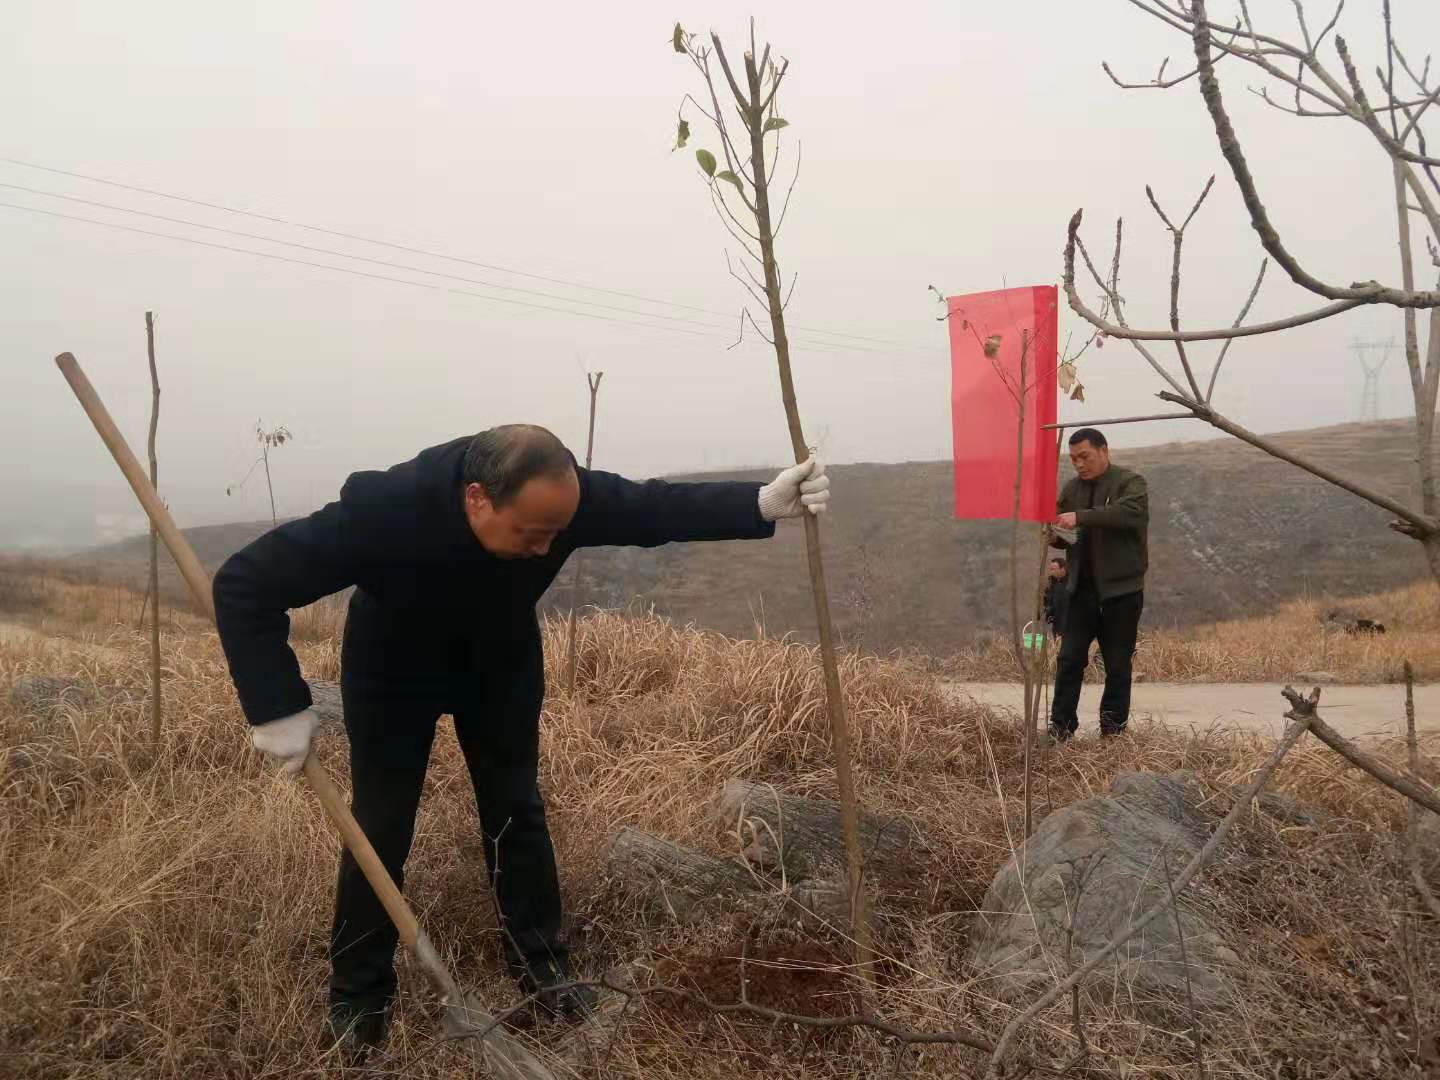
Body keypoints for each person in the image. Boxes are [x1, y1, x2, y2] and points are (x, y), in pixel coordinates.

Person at [211, 425, 831, 1059]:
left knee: (516, 808)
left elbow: (654, 508)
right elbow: (245, 584)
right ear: (477, 499)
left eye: (555, 535)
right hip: (393, 666)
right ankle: (358, 992)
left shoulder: (560, 501)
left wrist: (757, 503)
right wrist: (277, 707)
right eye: (529, 534)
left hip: (497, 660)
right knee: (381, 821)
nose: (543, 550)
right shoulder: (385, 512)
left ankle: (542, 967)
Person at [1048, 427, 1148, 741]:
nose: (1079, 463)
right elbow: (1065, 539)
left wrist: (1078, 516)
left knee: (1117, 664)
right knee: (1068, 660)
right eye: (1073, 458)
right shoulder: (1072, 489)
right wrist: (1053, 530)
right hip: (1081, 591)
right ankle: (1061, 729)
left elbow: (1126, 515)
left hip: (1121, 592)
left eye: (1085, 456)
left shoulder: (1131, 483)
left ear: (1104, 451)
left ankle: (1113, 733)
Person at [1042, 555, 1069, 637]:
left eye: (1054, 569)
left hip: (1070, 624)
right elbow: (1046, 601)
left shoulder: (1072, 583)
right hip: (1056, 623)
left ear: (1062, 569)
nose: (1051, 572)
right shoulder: (1050, 584)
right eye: (1051, 569)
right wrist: (1046, 612)